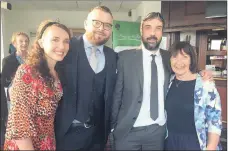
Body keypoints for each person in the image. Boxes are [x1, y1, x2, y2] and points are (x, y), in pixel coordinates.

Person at [110, 12, 212, 150]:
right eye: (148, 27)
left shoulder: (169, 57)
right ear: (141, 29)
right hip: (128, 132)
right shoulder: (124, 58)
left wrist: (201, 73)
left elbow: (184, 69)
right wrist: (112, 128)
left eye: (158, 28)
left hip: (157, 133)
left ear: (162, 32)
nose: (153, 33)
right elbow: (117, 96)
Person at [55, 6, 117, 150]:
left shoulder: (112, 56)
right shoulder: (67, 48)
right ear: (86, 24)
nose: (102, 28)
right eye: (97, 22)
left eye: (107, 25)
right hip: (67, 133)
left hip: (98, 136)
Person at [4, 20, 71, 150]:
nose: (62, 46)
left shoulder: (57, 73)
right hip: (26, 145)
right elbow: (19, 123)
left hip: (47, 141)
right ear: (41, 42)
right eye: (55, 40)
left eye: (66, 41)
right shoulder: (27, 71)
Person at [165, 41, 222, 150]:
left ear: (191, 60)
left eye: (184, 57)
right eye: (175, 57)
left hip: (195, 143)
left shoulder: (206, 84)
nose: (179, 62)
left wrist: (211, 148)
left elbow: (214, 121)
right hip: (169, 142)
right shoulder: (168, 82)